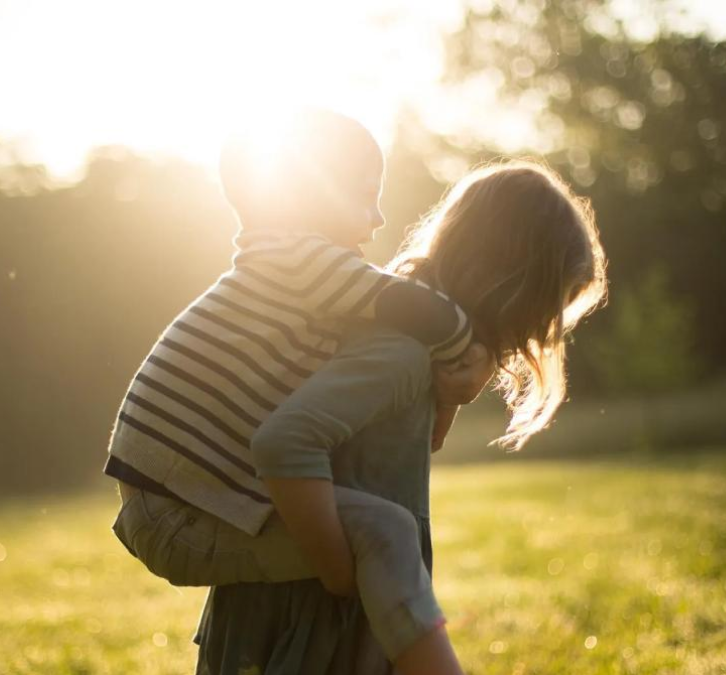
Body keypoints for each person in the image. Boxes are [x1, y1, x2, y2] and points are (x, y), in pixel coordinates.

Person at [106, 110, 495, 674]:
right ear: (313, 193)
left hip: (174, 502)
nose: (379, 217)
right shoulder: (299, 260)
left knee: (376, 529)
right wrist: (471, 352)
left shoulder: (283, 269)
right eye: (366, 195)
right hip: (178, 513)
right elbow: (416, 309)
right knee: (385, 531)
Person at [191, 159, 609, 674]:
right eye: (547, 308)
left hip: (338, 597)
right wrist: (340, 572)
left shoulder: (417, 346)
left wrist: (457, 385)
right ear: (511, 285)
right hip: (311, 609)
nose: (541, 331)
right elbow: (286, 441)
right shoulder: (400, 352)